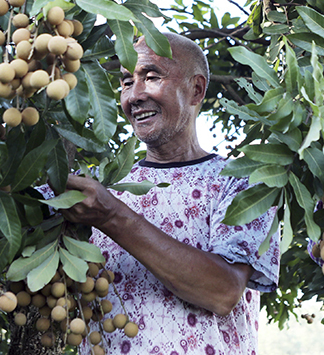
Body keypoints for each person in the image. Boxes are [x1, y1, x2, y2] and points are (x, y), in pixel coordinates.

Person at [59, 33, 280, 355]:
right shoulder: (99, 189)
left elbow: (223, 291)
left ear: (196, 89)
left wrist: (112, 216)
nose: (134, 95)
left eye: (151, 77)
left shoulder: (246, 181)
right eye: (125, 82)